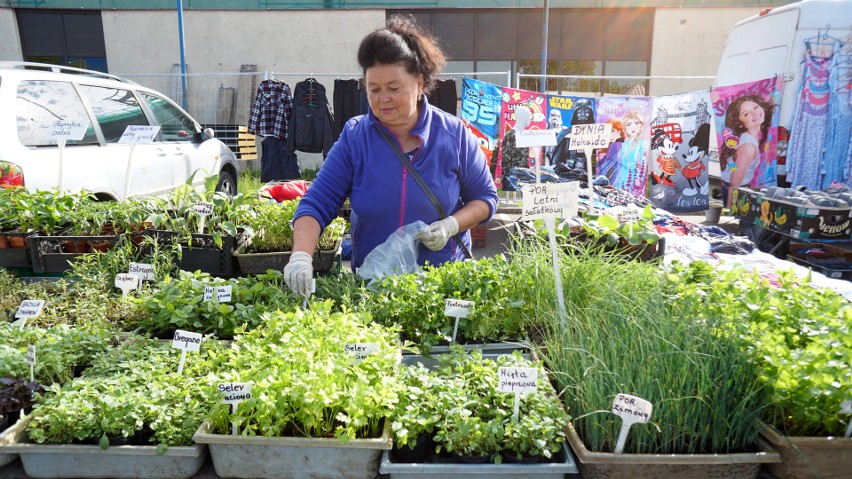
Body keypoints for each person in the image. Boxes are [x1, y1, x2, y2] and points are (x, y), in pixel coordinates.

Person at [283, 15, 498, 297]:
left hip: (443, 286)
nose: (383, 99)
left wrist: (451, 225)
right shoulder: (355, 138)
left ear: (420, 84)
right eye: (374, 89)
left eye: (394, 88)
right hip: (373, 285)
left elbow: (485, 199)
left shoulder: (453, 134)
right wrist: (300, 257)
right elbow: (316, 203)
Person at [719, 94, 775, 206]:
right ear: (739, 123)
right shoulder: (748, 147)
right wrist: (730, 208)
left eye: (755, 107)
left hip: (739, 188)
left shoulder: (748, 137)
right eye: (746, 114)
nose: (754, 113)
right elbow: (733, 186)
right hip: (736, 192)